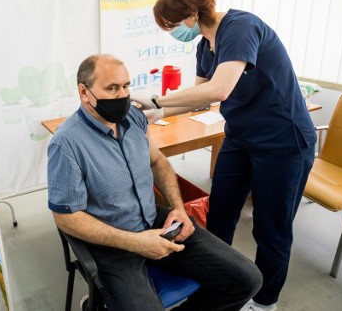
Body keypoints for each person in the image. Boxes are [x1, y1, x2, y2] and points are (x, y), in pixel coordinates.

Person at [140, 0, 317, 311]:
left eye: (174, 24)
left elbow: (219, 90)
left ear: (191, 12)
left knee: (271, 228)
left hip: (284, 142)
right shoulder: (204, 46)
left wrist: (156, 97)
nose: (175, 31)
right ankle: (220, 279)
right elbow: (197, 100)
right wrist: (153, 111)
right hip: (241, 138)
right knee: (219, 212)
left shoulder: (240, 27)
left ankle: (265, 302)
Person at [48, 54, 262, 311]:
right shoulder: (67, 144)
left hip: (157, 223)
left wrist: (178, 209)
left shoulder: (133, 119)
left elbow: (158, 161)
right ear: (84, 92)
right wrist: (136, 242)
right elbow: (66, 217)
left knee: (248, 279)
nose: (122, 95)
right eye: (112, 88)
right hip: (113, 244)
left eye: (126, 86)